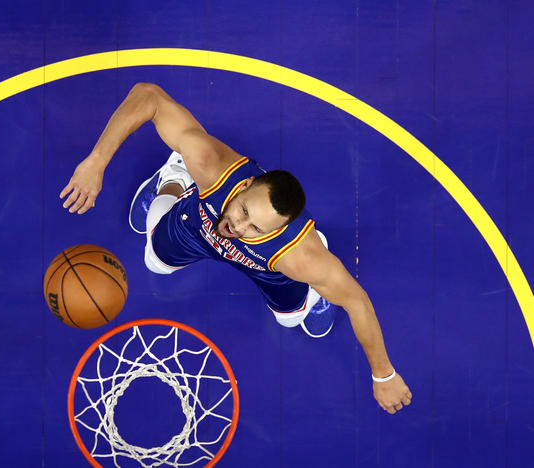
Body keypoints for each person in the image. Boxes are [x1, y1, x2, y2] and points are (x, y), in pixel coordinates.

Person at [60, 82, 412, 414]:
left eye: (255, 226)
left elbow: (356, 301)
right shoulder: (212, 165)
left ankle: (315, 287)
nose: (237, 227)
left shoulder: (296, 255)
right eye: (244, 210)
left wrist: (383, 374)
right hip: (199, 223)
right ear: (244, 185)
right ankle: (173, 178)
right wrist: (96, 161)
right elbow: (148, 95)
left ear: (279, 229)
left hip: (268, 265)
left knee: (291, 320)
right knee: (154, 260)